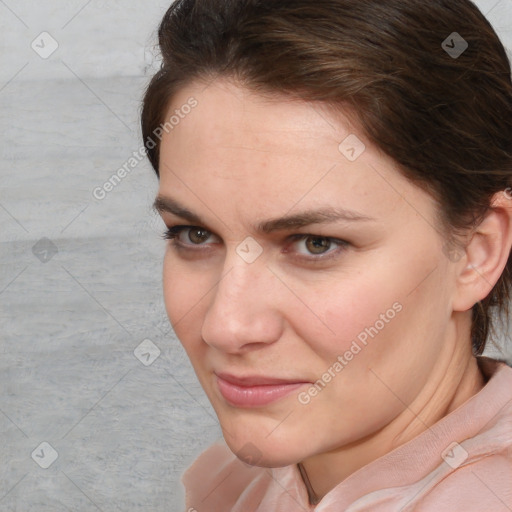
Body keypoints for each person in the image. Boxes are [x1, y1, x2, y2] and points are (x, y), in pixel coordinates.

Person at [141, 0, 512, 509]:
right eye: (194, 235)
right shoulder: (231, 487)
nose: (225, 326)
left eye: (316, 244)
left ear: (476, 252)